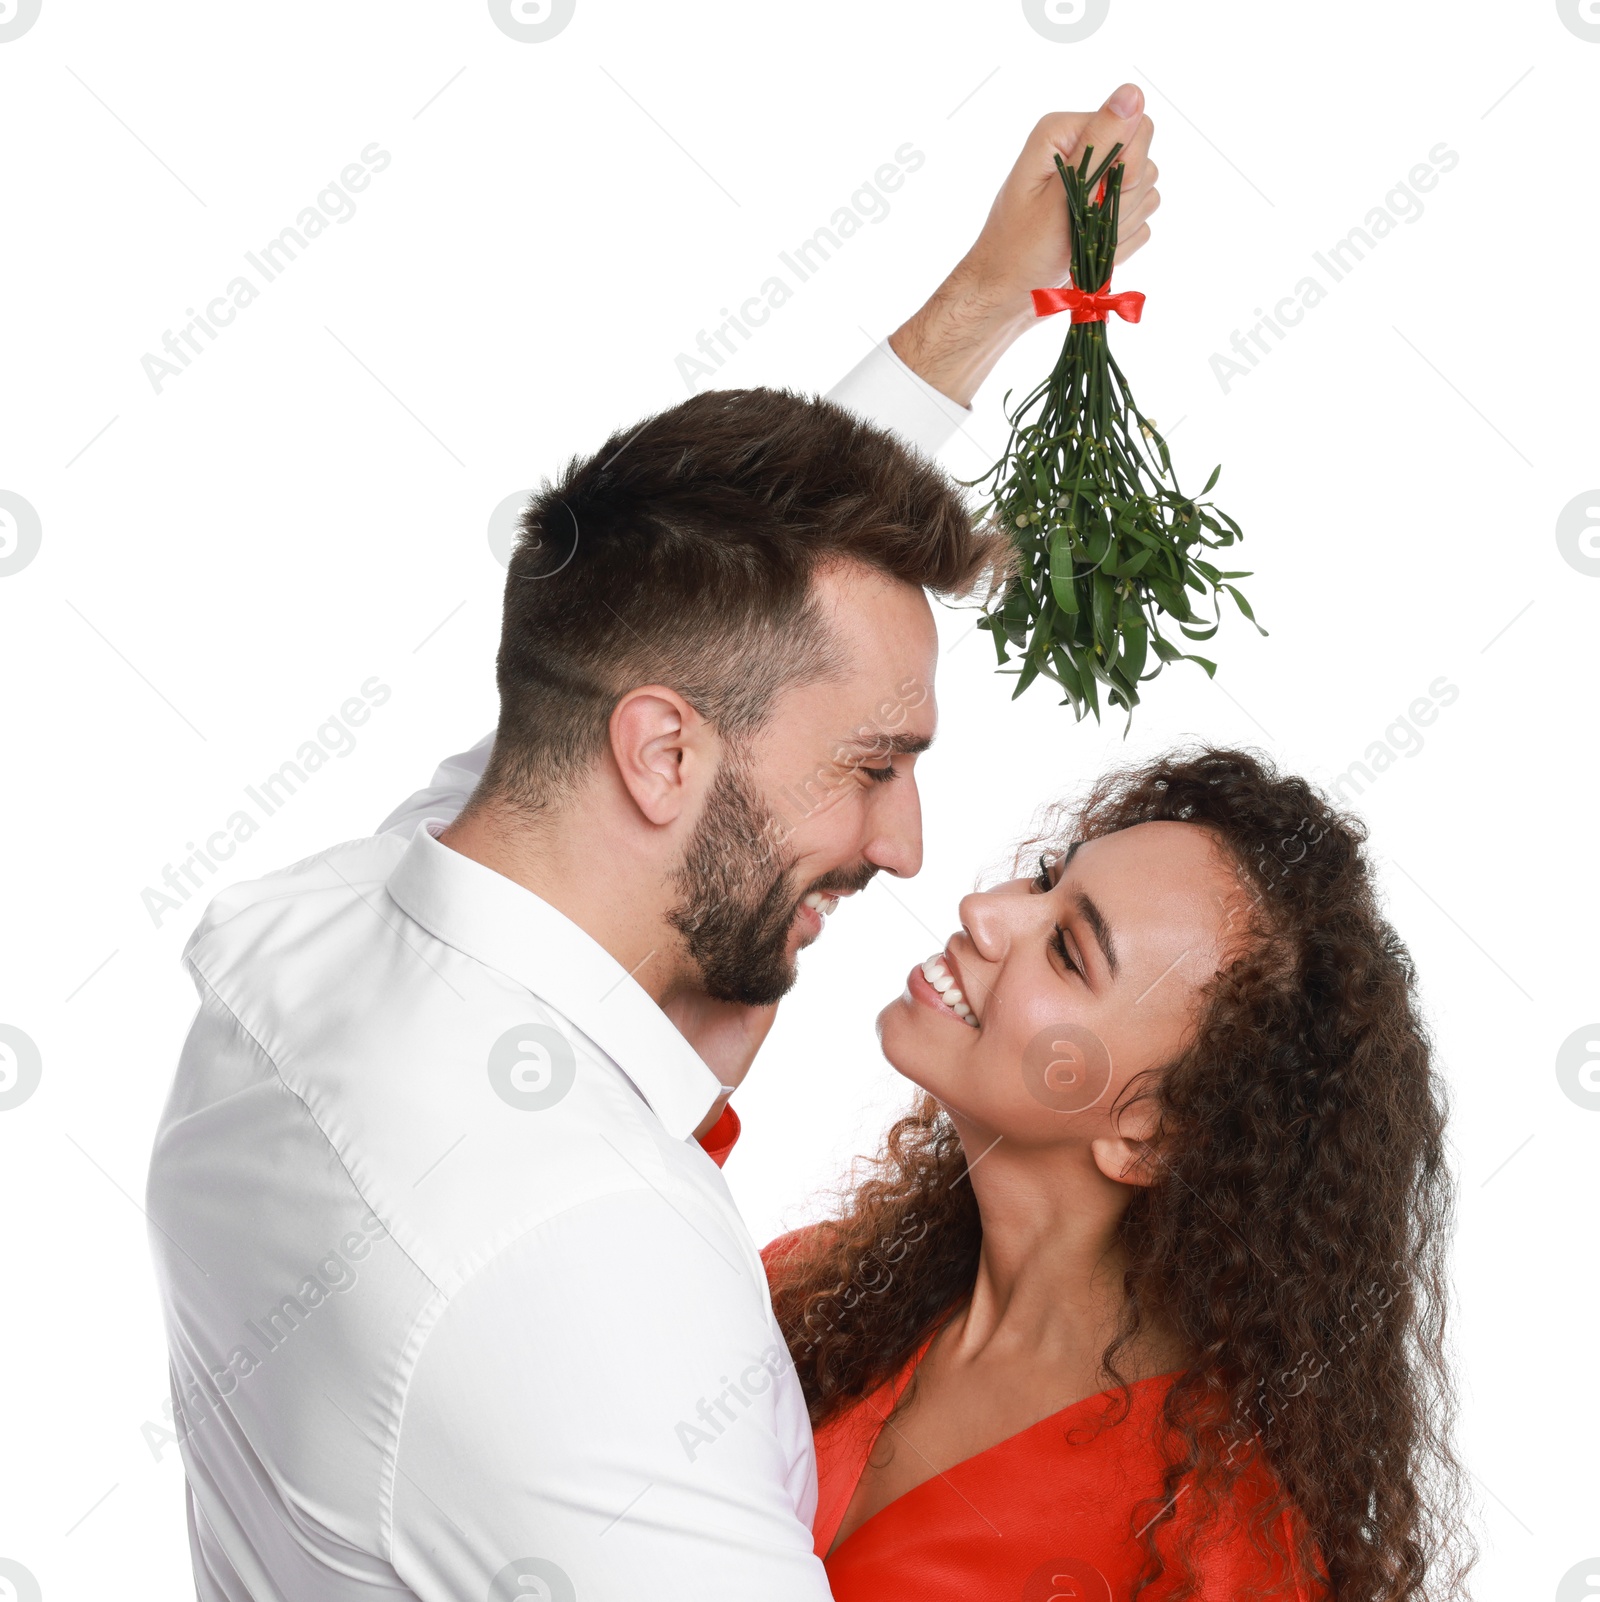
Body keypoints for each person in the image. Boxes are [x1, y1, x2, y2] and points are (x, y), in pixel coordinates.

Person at [144, 90, 1161, 1602]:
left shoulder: (354, 917)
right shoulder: (589, 1274)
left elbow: (701, 604)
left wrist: (986, 302)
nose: (907, 845)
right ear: (664, 753)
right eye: (874, 767)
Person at [749, 750, 1467, 1600]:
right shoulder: (807, 1291)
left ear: (1153, 1134)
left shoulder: (1216, 1534)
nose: (982, 911)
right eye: (1045, 878)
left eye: (1068, 951)